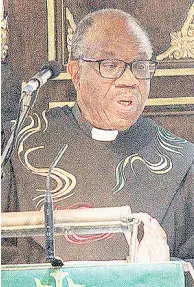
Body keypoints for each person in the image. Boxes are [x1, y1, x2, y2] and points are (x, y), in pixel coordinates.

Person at [1, 8, 194, 271]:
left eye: (140, 66)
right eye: (111, 66)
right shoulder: (19, 145)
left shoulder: (182, 162)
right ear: (76, 74)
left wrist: (167, 270)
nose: (130, 80)